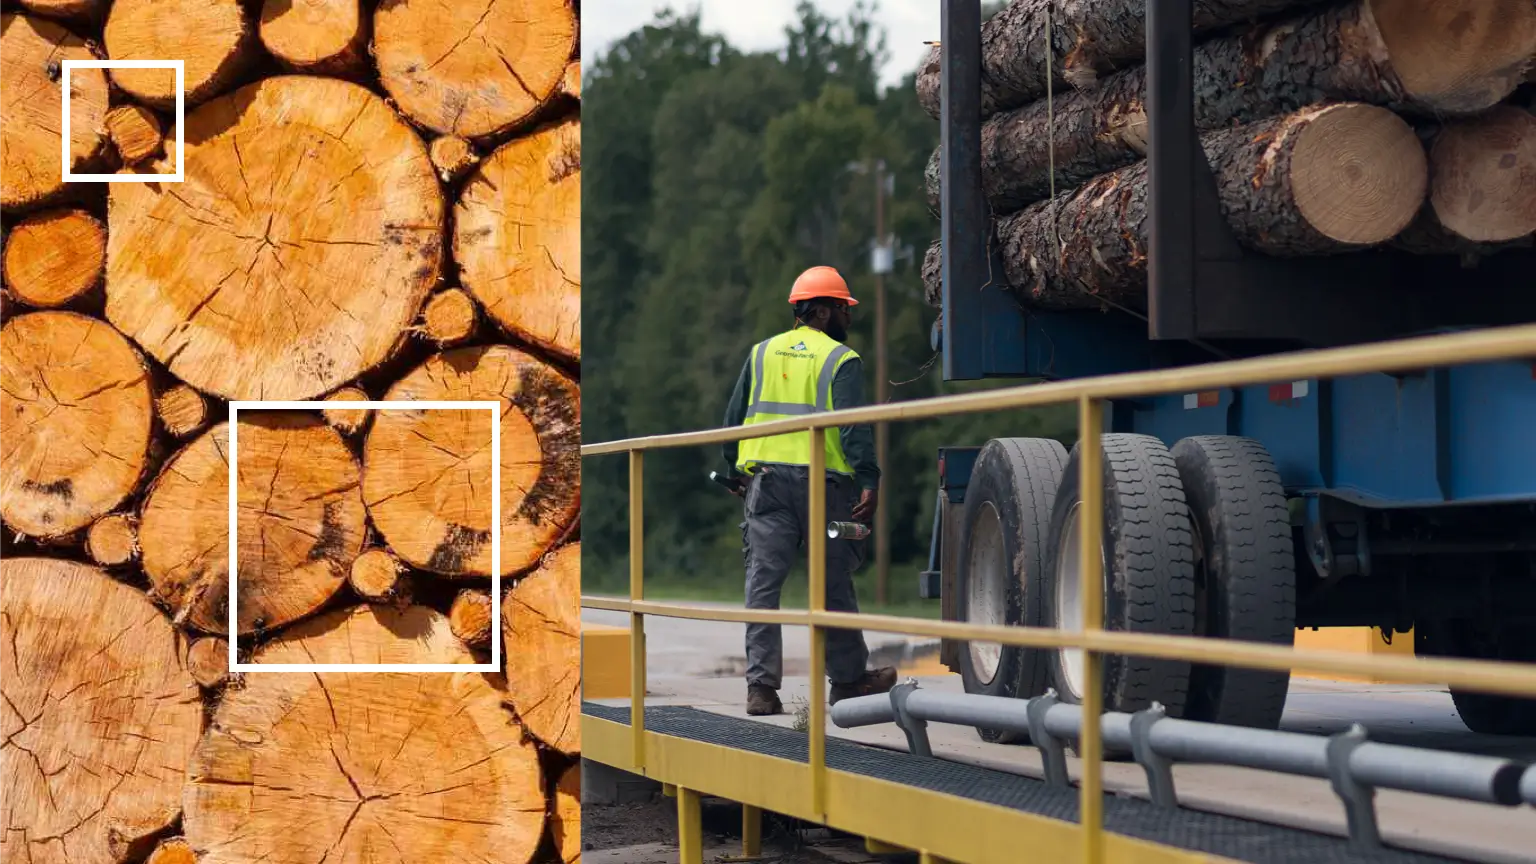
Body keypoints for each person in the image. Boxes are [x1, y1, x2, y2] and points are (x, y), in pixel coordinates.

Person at [721, 265, 897, 716]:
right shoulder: (842, 359)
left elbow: (734, 419)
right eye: (842, 308)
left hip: (767, 485)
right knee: (832, 583)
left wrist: (734, 468)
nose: (848, 318)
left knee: (763, 583)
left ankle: (761, 689)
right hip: (824, 485)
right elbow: (852, 427)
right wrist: (869, 479)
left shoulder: (761, 353)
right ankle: (849, 681)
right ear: (821, 311)